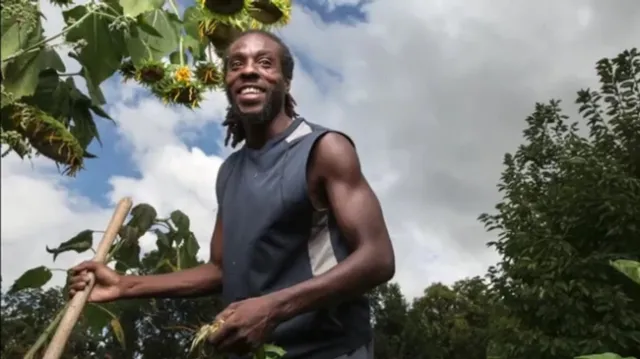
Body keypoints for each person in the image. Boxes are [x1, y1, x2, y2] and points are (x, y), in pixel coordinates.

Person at [68, 29, 395, 359]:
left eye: (265, 63)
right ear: (226, 81)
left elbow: (378, 259)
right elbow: (221, 269)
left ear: (287, 82)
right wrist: (125, 285)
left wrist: (273, 308)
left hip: (327, 350)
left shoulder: (324, 149)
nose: (249, 70)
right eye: (236, 64)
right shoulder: (230, 171)